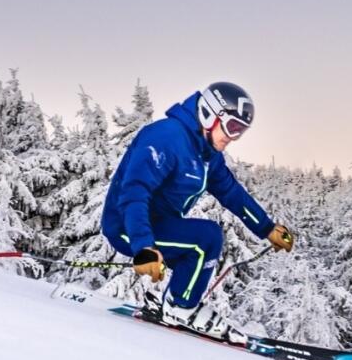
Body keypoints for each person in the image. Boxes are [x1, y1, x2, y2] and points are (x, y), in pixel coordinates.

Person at [101, 81, 293, 335]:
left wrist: (266, 228)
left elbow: (231, 192)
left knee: (202, 242)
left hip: (158, 223)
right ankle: (180, 307)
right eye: (231, 127)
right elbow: (134, 193)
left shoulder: (207, 154)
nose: (232, 137)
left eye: (240, 131)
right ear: (209, 114)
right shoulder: (166, 137)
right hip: (126, 225)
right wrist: (143, 245)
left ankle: (175, 303)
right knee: (206, 239)